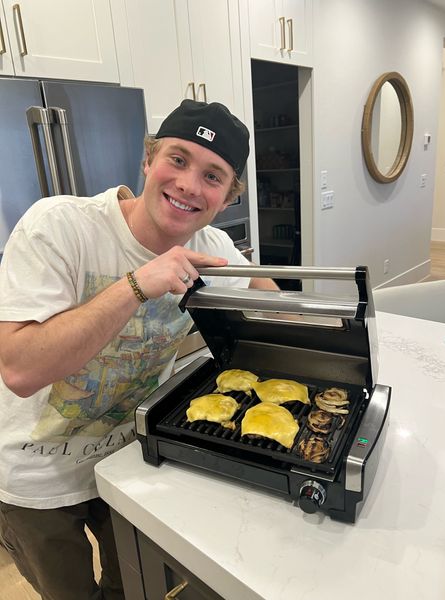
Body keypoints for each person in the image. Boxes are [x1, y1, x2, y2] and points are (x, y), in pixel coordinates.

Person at [0, 99, 278, 599]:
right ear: (147, 160)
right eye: (177, 159)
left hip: (131, 458)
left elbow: (275, 312)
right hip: (34, 474)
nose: (190, 184)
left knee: (136, 586)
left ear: (228, 197)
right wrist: (136, 284)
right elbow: (19, 369)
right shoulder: (58, 225)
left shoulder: (212, 246)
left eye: (213, 176)